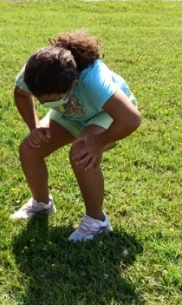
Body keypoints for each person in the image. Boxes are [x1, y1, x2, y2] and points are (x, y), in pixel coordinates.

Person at [11, 30, 141, 242]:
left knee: (82, 153)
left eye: (49, 100)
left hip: (107, 113)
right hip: (71, 112)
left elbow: (131, 119)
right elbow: (21, 94)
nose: (43, 104)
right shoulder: (36, 71)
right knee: (29, 148)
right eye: (40, 99)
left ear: (72, 84)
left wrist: (98, 142)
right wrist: (35, 127)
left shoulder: (92, 81)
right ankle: (41, 203)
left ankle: (96, 222)